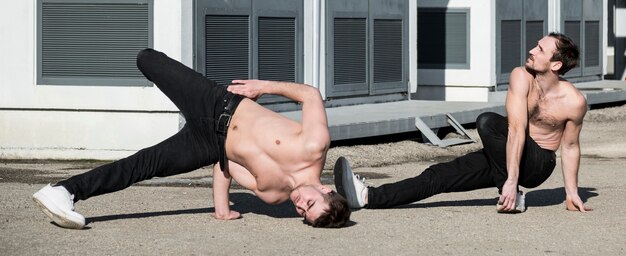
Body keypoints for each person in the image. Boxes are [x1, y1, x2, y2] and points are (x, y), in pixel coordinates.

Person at [32, 48, 350, 229]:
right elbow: (310, 95)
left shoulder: (272, 196)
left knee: (141, 166)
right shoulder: (314, 145)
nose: (299, 204)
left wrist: (222, 208)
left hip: (206, 144)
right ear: (325, 189)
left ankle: (63, 191)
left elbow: (226, 167)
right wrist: (262, 87)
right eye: (310, 203)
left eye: (302, 213)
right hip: (215, 102)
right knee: (147, 59)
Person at [335, 32, 592, 213]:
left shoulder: (574, 101)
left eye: (540, 49)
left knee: (488, 122)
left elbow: (569, 147)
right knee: (439, 176)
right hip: (508, 153)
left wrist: (571, 193)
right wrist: (510, 181)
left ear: (556, 64)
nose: (531, 50)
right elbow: (515, 130)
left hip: (537, 164)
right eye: (536, 45)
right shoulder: (521, 77)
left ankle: (509, 187)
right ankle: (368, 196)